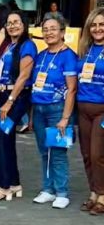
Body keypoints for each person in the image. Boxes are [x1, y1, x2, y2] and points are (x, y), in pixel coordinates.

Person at [0, 11, 36, 201]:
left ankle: (4, 186)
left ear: (24, 24)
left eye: (16, 22)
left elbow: (23, 76)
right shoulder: (10, 46)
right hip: (5, 94)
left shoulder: (27, 45)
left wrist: (9, 102)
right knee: (6, 140)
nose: (12, 25)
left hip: (17, 97)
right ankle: (14, 184)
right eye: (9, 23)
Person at [30, 16, 77, 209]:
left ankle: (62, 192)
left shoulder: (69, 56)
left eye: (53, 29)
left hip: (57, 110)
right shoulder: (41, 56)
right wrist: (32, 116)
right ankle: (48, 190)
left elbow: (72, 89)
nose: (49, 32)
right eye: (45, 29)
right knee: (44, 152)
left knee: (57, 152)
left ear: (63, 32)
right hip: (39, 110)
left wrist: (66, 118)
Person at [76, 8, 104, 215]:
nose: (97, 29)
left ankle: (102, 194)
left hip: (102, 110)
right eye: (93, 25)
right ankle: (93, 192)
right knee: (86, 154)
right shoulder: (85, 50)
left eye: (101, 24)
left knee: (98, 154)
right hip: (83, 109)